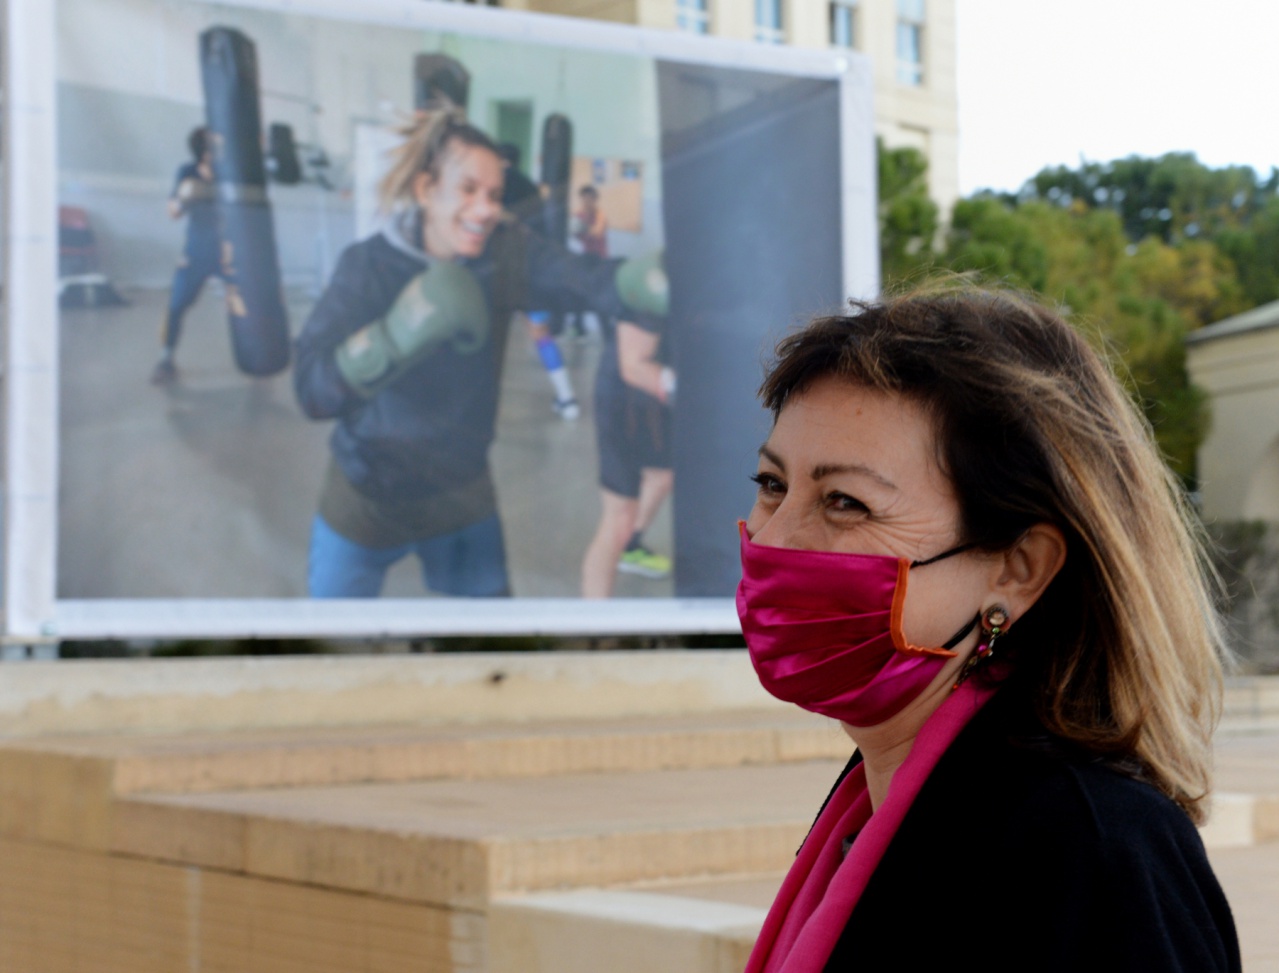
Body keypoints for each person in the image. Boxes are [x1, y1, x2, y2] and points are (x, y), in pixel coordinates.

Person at [738, 287, 1240, 972]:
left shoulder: (1091, 844)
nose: (777, 538)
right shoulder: (882, 794)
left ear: (1018, 569)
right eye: (771, 483)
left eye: (844, 502)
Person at [293, 111, 661, 598]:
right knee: (329, 650)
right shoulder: (368, 267)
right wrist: (392, 338)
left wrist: (640, 282)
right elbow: (311, 389)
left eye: (493, 195)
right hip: (365, 492)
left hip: (461, 493)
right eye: (468, 190)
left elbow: (583, 280)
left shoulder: (502, 255)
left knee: (492, 650)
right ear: (426, 189)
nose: (485, 209)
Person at [581, 252, 674, 597]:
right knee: (619, 516)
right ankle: (593, 630)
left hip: (657, 404)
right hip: (624, 403)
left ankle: (632, 546)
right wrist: (700, 398)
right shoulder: (653, 279)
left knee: (663, 476)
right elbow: (632, 366)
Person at [152, 126, 220, 384]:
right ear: (203, 150)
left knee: (251, 301)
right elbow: (173, 212)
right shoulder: (187, 173)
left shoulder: (230, 173)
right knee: (176, 305)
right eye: (214, 144)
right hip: (197, 250)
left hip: (229, 251)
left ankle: (261, 356)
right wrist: (185, 198)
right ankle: (166, 359)